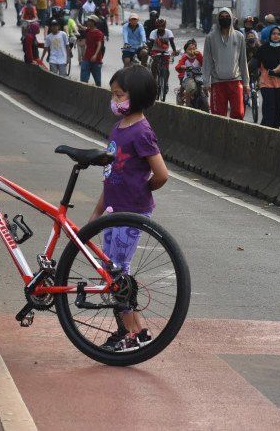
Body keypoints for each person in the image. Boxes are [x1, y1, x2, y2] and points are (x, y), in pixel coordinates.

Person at [94, 65, 168, 351]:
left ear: (136, 96)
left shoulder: (141, 131)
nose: (115, 100)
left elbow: (161, 174)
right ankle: (138, 330)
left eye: (120, 94)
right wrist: (96, 215)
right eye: (113, 94)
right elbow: (109, 177)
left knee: (117, 272)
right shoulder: (118, 128)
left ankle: (129, 335)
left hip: (131, 214)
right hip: (113, 212)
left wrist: (141, 191)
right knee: (110, 269)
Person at [202, 8, 249, 120]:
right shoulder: (210, 37)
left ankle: (234, 136)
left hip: (235, 80)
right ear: (218, 19)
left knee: (238, 113)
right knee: (218, 116)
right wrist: (206, 82)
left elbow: (243, 61)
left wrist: (246, 83)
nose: (225, 19)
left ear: (232, 19)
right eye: (222, 17)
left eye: (227, 17)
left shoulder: (239, 36)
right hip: (217, 82)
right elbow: (207, 61)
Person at [254, 26, 280, 128]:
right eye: (273, 33)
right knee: (269, 109)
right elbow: (254, 62)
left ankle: (276, 131)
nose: (276, 36)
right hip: (266, 83)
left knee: (279, 109)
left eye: (278, 34)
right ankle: (265, 131)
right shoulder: (263, 48)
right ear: (270, 35)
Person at [148, 18, 179, 99]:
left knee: (166, 68)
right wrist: (149, 52)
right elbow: (151, 44)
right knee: (154, 65)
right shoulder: (153, 33)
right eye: (159, 27)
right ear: (156, 26)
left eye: (162, 26)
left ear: (165, 26)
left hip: (165, 51)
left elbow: (172, 42)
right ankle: (154, 82)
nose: (161, 28)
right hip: (155, 51)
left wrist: (174, 51)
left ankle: (165, 83)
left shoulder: (169, 32)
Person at [174, 39, 203, 105]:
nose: (192, 51)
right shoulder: (185, 57)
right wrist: (182, 67)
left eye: (194, 49)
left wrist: (199, 55)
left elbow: (204, 63)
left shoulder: (199, 56)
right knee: (190, 87)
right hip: (188, 77)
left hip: (199, 77)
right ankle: (188, 106)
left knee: (203, 88)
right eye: (189, 49)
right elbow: (178, 67)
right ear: (186, 51)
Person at [80, 15, 105, 85]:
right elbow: (84, 28)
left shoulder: (99, 33)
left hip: (96, 60)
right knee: (83, 79)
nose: (87, 22)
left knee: (98, 81)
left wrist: (95, 55)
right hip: (86, 58)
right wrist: (78, 24)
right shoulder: (88, 30)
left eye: (89, 21)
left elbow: (99, 44)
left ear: (94, 23)